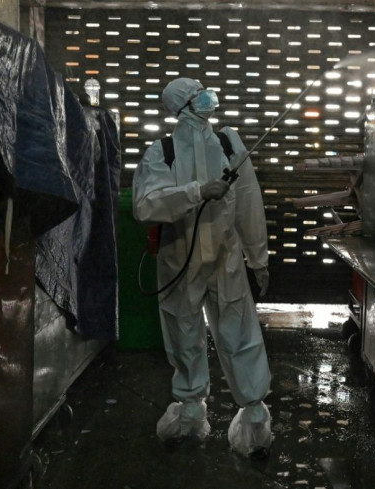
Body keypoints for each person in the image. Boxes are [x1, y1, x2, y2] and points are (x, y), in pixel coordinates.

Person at [132, 77, 272, 458]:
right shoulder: (161, 153)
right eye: (199, 95)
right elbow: (145, 206)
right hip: (181, 258)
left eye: (206, 92)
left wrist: (258, 257)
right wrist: (196, 192)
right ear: (184, 106)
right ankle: (190, 411)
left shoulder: (229, 142)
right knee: (183, 330)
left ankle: (255, 422)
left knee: (239, 329)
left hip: (225, 257)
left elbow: (248, 201)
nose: (209, 98)